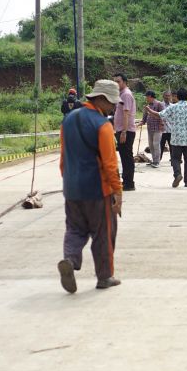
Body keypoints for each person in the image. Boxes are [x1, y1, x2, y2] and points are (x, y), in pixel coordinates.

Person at [57, 79, 123, 293]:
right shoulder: (103, 125)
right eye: (112, 103)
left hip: (72, 188)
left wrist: (68, 181)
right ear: (101, 99)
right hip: (97, 190)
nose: (114, 107)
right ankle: (105, 277)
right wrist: (117, 191)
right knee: (103, 233)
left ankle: (70, 259)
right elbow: (110, 164)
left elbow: (63, 158)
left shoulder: (67, 120)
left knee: (75, 229)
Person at [144, 87, 187, 188]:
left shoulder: (173, 107)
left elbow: (159, 115)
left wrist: (149, 110)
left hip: (176, 138)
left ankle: (177, 174)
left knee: (175, 159)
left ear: (177, 97)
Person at [112, 73, 136, 191]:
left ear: (125, 82)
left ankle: (129, 183)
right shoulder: (120, 94)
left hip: (126, 131)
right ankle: (126, 181)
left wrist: (124, 132)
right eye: (115, 81)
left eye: (118, 81)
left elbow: (126, 114)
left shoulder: (126, 94)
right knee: (124, 157)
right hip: (121, 130)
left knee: (127, 157)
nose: (116, 84)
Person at [137, 90, 165, 168]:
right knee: (151, 145)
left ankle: (157, 161)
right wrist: (138, 124)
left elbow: (163, 115)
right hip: (150, 128)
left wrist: (162, 124)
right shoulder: (147, 106)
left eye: (147, 96)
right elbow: (144, 119)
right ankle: (154, 160)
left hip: (158, 128)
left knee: (156, 144)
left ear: (150, 96)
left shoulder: (159, 104)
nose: (146, 98)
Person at [160, 90, 173, 161]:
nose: (168, 97)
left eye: (169, 96)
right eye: (166, 96)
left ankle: (173, 158)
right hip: (162, 129)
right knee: (161, 145)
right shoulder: (160, 105)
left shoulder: (173, 106)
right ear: (163, 96)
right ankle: (158, 159)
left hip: (171, 129)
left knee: (172, 145)